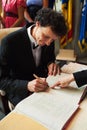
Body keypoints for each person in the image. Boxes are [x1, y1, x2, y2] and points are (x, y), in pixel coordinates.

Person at [0, 8, 67, 106]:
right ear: (37, 24)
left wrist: (50, 63)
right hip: (20, 89)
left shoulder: (49, 38)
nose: (48, 43)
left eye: (52, 40)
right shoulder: (9, 43)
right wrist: (26, 85)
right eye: (46, 37)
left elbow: (49, 58)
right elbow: (1, 80)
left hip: (45, 84)